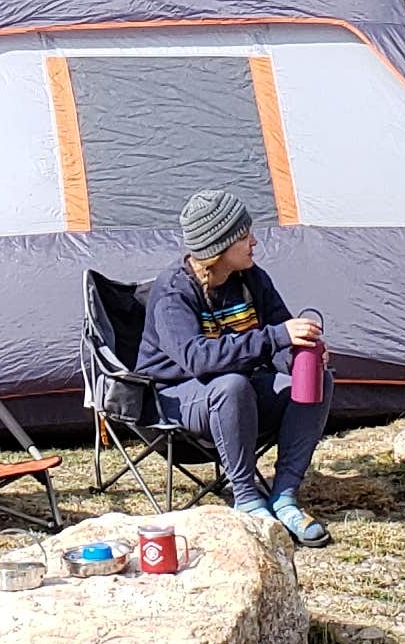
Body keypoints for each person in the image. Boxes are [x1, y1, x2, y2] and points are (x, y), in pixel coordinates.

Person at [137, 188, 332, 545]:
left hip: (239, 396)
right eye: (244, 236)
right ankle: (246, 497)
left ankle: (285, 495)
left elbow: (280, 334)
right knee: (230, 385)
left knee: (320, 380)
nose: (254, 242)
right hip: (176, 402)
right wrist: (275, 338)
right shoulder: (173, 293)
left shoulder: (252, 279)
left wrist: (302, 354)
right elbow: (198, 359)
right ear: (217, 248)